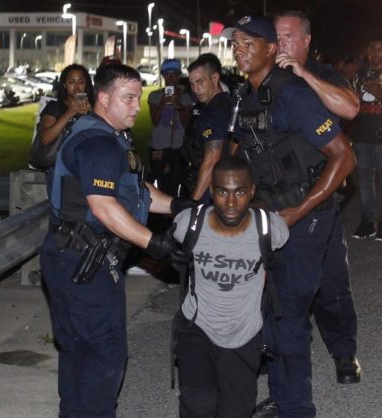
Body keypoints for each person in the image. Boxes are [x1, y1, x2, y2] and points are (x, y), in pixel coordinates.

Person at [40, 63, 193, 417]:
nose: (137, 107)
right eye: (128, 98)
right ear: (104, 98)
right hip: (83, 262)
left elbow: (136, 192)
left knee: (79, 351)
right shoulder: (97, 144)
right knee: (102, 354)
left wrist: (180, 206)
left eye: (138, 98)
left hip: (73, 256)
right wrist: (156, 244)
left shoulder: (111, 138)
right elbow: (104, 207)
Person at [223, 15, 356, 418]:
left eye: (250, 43)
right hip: (268, 218)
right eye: (236, 43)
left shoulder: (292, 95)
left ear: (271, 50)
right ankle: (285, 397)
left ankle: (297, 407)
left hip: (306, 216)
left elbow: (344, 157)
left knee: (290, 313)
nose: (240, 50)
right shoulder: (246, 97)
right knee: (271, 312)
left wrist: (300, 210)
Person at [172, 156, 289, 417]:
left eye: (240, 192)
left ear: (252, 192)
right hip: (197, 327)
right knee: (198, 404)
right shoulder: (188, 224)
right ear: (212, 191)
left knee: (235, 411)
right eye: (223, 192)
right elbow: (168, 250)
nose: (232, 203)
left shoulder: (270, 229)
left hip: (244, 335)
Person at [349, 32, 382, 241]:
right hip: (362, 134)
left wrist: (380, 93)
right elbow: (353, 101)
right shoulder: (361, 73)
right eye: (372, 49)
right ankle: (367, 221)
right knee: (364, 182)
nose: (375, 53)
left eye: (380, 49)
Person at [182, 53, 234, 203]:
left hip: (210, 190)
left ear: (215, 78)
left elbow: (212, 159)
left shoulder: (213, 112)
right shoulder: (227, 102)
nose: (195, 89)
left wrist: (194, 202)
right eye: (191, 84)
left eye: (200, 82)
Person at [148, 58, 193, 197]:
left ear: (179, 75)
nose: (171, 78)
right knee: (160, 182)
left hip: (179, 147)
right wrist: (163, 102)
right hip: (159, 146)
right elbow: (155, 122)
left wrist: (179, 106)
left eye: (174, 74)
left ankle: (175, 212)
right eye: (167, 74)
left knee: (178, 182)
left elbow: (186, 124)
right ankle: (159, 215)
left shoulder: (186, 98)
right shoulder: (154, 96)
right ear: (163, 76)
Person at [37, 64, 93, 154]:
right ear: (64, 85)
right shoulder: (54, 106)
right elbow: (45, 139)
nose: (77, 87)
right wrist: (69, 113)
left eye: (81, 82)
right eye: (72, 82)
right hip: (57, 162)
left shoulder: (93, 108)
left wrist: (92, 114)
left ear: (86, 85)